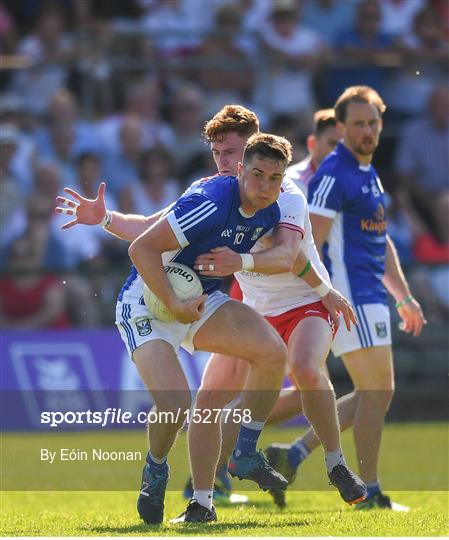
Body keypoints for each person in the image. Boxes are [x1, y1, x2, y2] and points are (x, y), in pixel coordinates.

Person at [58, 132, 296, 525]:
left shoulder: (272, 211)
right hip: (147, 304)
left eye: (274, 179)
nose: (265, 186)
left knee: (272, 352)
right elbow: (142, 247)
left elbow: (286, 256)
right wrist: (172, 302)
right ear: (241, 170)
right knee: (176, 405)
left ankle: (246, 449)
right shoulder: (211, 201)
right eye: (257, 175)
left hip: (198, 300)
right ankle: (155, 468)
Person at [187, 107, 365, 517]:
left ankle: (336, 464)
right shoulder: (212, 192)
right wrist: (107, 219)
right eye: (218, 153)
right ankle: (202, 499)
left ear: (251, 152)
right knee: (209, 402)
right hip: (255, 311)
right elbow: (161, 226)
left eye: (232, 153)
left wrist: (326, 291)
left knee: (305, 367)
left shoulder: (285, 193)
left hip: (307, 302)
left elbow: (287, 256)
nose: (224, 163)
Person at [304, 86, 426, 510]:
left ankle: (301, 450)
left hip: (371, 293)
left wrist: (405, 298)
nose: (367, 130)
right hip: (350, 295)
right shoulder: (334, 173)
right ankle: (368, 492)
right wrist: (324, 297)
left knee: (377, 392)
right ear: (341, 128)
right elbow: (310, 243)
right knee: (376, 392)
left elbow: (382, 240)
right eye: (358, 123)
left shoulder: (367, 172)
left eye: (373, 122)